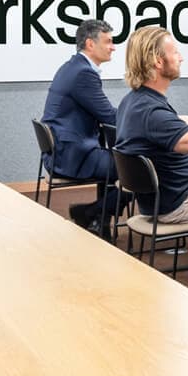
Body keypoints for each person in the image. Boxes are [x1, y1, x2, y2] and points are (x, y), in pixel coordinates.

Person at [114, 25, 188, 240]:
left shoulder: (132, 101)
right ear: (158, 61)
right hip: (183, 200)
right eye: (175, 52)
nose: (181, 58)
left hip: (170, 195)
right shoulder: (152, 113)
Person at [42, 18, 118, 227]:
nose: (113, 47)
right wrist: (143, 119)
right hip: (72, 156)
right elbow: (109, 116)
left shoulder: (72, 66)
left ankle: (98, 218)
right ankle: (91, 213)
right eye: (109, 42)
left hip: (61, 152)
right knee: (138, 170)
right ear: (90, 44)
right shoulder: (83, 73)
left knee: (126, 163)